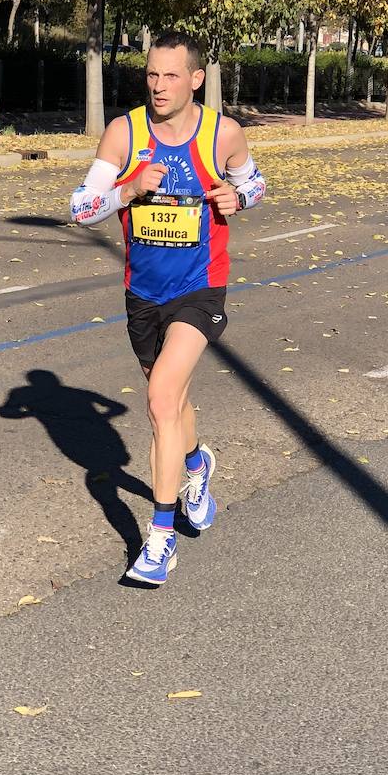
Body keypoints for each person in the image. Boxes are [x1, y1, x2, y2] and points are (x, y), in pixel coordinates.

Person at [69, 30, 266, 586]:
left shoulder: (222, 133)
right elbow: (81, 207)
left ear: (196, 79)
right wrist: (127, 191)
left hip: (201, 287)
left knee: (158, 399)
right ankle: (196, 462)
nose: (158, 86)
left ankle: (160, 539)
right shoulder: (124, 133)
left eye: (171, 75)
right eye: (152, 75)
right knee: (171, 404)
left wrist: (238, 196)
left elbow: (255, 184)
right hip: (143, 294)